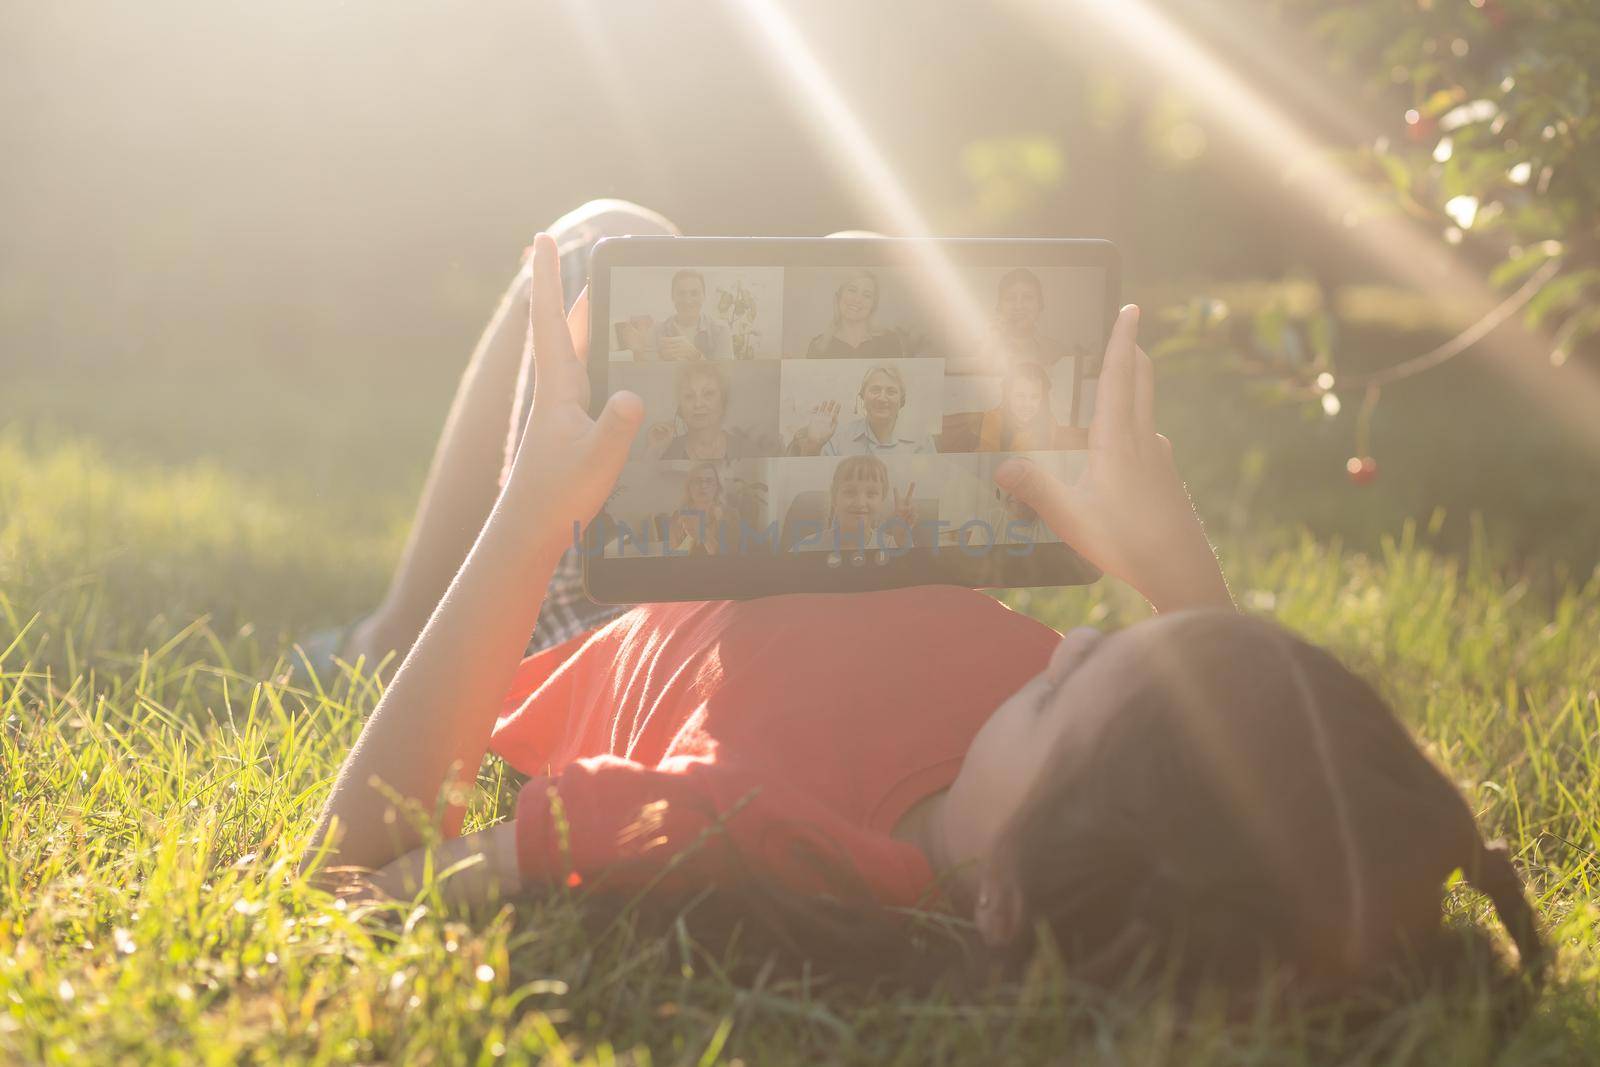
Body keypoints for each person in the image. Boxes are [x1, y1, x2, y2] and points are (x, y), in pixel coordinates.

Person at [303, 208, 1543, 996]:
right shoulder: (1067, 792)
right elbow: (1224, 750)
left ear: (1006, 895)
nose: (1089, 636)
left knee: (596, 244)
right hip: (811, 556)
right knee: (854, 275)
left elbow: (352, 872)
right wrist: (1171, 560)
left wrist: (530, 519)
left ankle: (386, 634)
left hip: (613, 611)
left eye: (1060, 682)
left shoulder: (725, 826)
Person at [788, 365, 934, 457]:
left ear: (902, 401)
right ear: (862, 397)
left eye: (891, 391)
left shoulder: (922, 440)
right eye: (875, 390)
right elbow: (817, 480)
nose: (882, 398)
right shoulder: (837, 438)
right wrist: (813, 444)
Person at [644, 363, 760, 461]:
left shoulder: (747, 450)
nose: (698, 404)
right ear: (680, 408)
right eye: (689, 396)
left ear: (723, 401)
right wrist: (654, 451)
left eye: (708, 394)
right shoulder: (667, 451)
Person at [616, 269, 735, 361]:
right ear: (673, 297)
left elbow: (725, 376)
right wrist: (638, 352)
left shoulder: (721, 330)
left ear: (704, 296)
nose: (688, 300)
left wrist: (695, 356)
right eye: (681, 293)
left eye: (694, 293)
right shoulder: (656, 331)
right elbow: (649, 375)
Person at [812, 454, 917, 552]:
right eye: (850, 492)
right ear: (834, 497)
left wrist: (904, 542)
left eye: (871, 494)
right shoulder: (809, 546)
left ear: (882, 501)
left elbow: (913, 571)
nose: (860, 503)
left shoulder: (892, 545)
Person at [805, 270, 908, 358]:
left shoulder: (889, 341)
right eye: (852, 290)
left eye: (867, 295)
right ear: (838, 297)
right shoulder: (818, 345)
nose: (857, 300)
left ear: (873, 305)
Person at [976, 362, 1060, 453]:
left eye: (1035, 397)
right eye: (1020, 396)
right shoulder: (994, 420)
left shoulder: (1049, 422)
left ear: (1043, 399)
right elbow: (989, 462)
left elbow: (1047, 462)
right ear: (1008, 396)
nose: (1027, 404)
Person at [662, 461, 727, 555]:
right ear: (689, 487)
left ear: (717, 486)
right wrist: (690, 536)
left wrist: (703, 533)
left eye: (709, 481)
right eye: (697, 481)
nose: (703, 486)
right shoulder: (678, 516)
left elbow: (729, 559)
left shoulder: (730, 515)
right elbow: (673, 556)